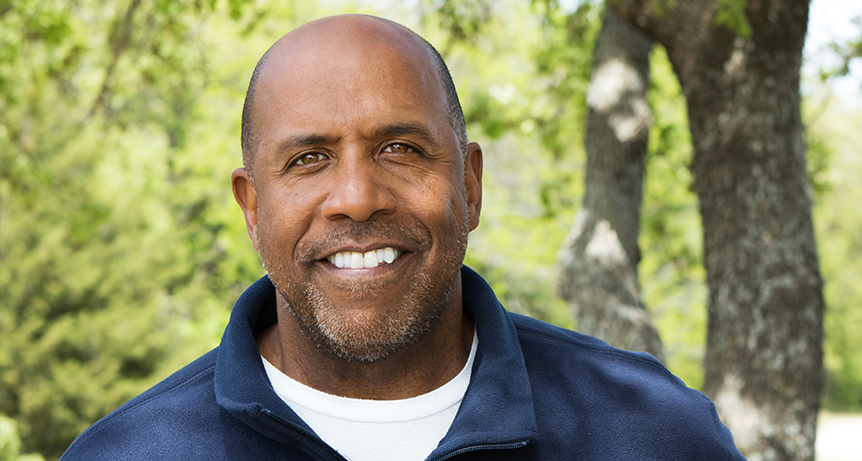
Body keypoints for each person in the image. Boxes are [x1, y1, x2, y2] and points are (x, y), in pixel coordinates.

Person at [61, 14, 743, 461]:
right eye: (308, 159)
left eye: (401, 149)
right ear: (252, 208)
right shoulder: (129, 452)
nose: (357, 197)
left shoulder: (656, 433)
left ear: (470, 187)